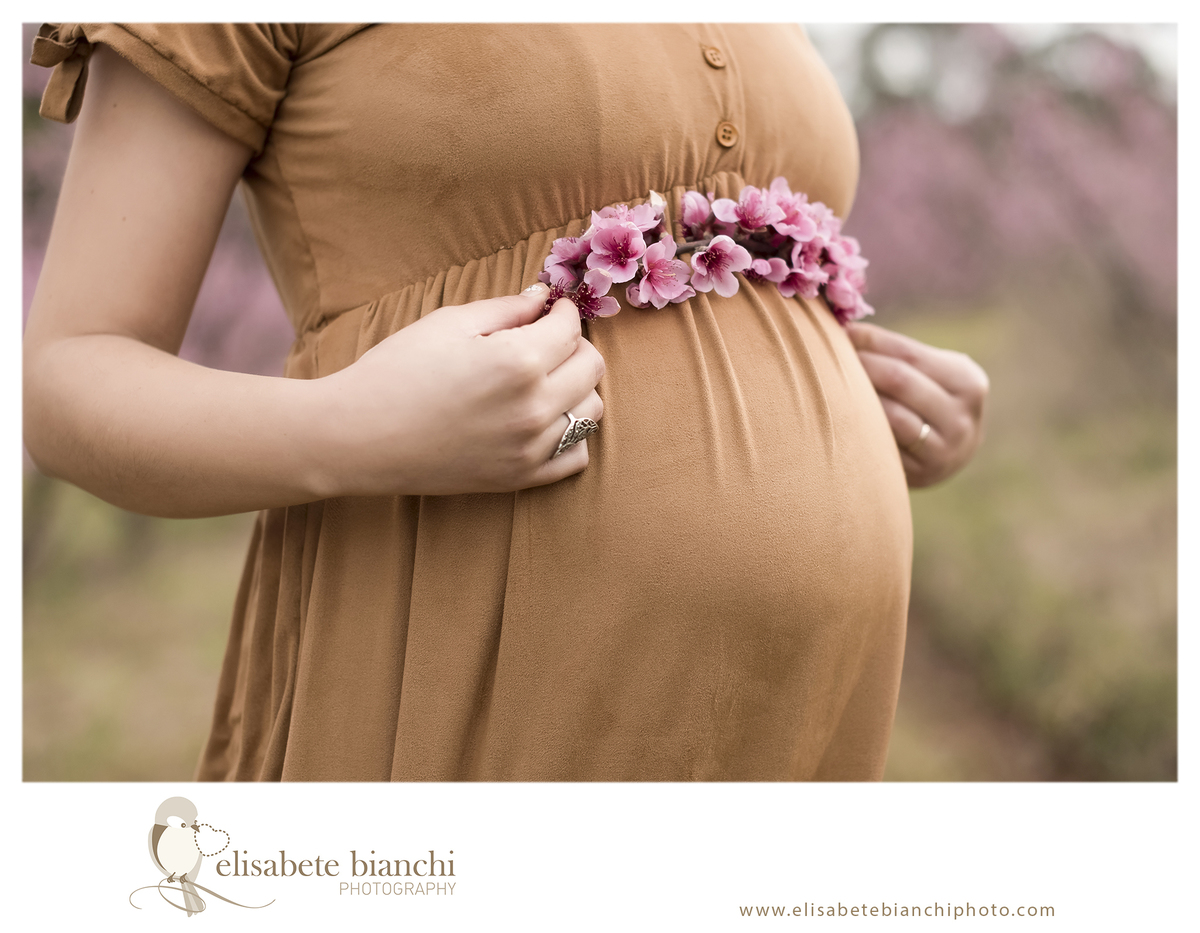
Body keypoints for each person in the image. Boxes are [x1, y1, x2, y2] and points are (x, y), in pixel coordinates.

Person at [25, 24, 987, 781]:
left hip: (802, 728)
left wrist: (848, 396)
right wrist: (352, 429)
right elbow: (69, 373)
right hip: (484, 688)